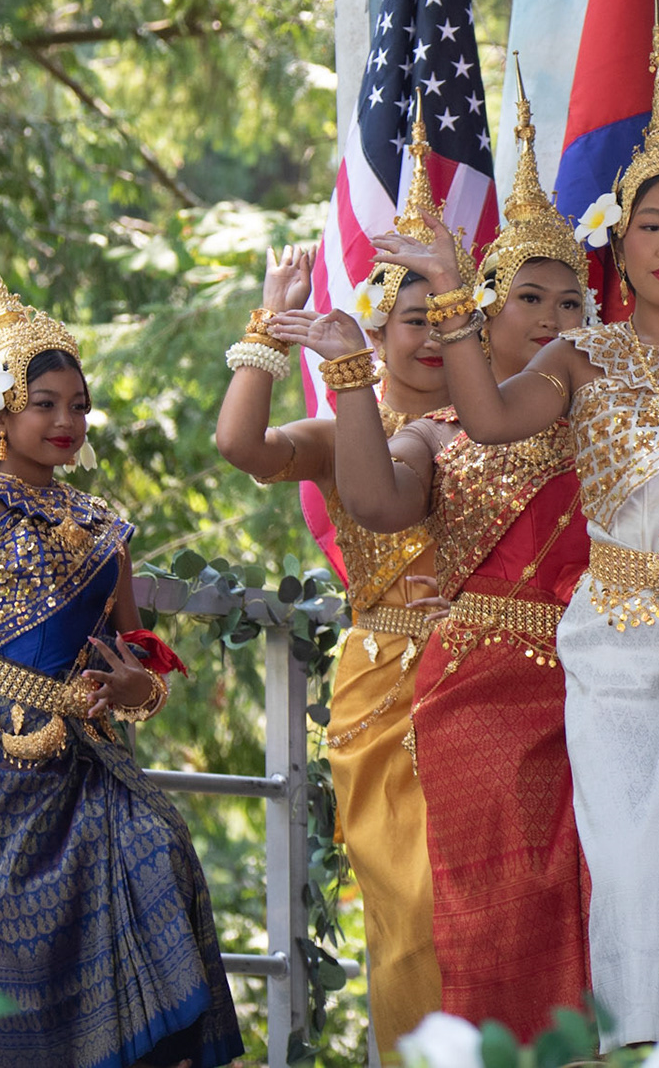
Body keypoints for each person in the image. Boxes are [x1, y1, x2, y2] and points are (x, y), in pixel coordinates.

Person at [362, 25, 659, 1066]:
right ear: (619, 248)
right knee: (627, 876)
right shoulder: (579, 359)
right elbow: (487, 419)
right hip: (616, 643)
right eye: (650, 225)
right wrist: (453, 293)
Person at [0, 183, 241, 1068]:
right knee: (18, 973)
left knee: (157, 848)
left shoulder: (105, 527)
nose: (67, 421)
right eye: (45, 403)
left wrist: (137, 687)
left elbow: (140, 663)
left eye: (78, 405)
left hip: (87, 755)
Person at [276, 71, 593, 1039]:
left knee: (603, 920)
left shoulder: (614, 416)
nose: (551, 318)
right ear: (483, 313)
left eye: (570, 300)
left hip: (605, 686)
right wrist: (344, 372)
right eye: (529, 297)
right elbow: (376, 501)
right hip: (479, 705)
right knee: (455, 927)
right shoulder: (440, 434)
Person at [213, 112, 450, 1060]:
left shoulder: (502, 420)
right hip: (382, 685)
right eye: (412, 320)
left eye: (447, 317)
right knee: (408, 915)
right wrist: (268, 328)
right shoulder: (347, 429)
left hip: (489, 665)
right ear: (375, 332)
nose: (430, 338)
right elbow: (241, 445)